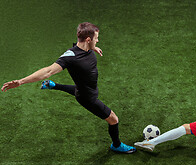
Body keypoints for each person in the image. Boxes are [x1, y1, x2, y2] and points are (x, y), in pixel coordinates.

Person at [1, 22, 136, 154]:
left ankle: (53, 85)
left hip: (85, 88)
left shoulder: (86, 47)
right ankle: (116, 145)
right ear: (88, 39)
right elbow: (48, 71)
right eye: (96, 39)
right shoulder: (70, 57)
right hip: (88, 97)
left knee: (78, 89)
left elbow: (84, 49)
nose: (98, 40)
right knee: (113, 119)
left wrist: (93, 47)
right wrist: (20, 81)